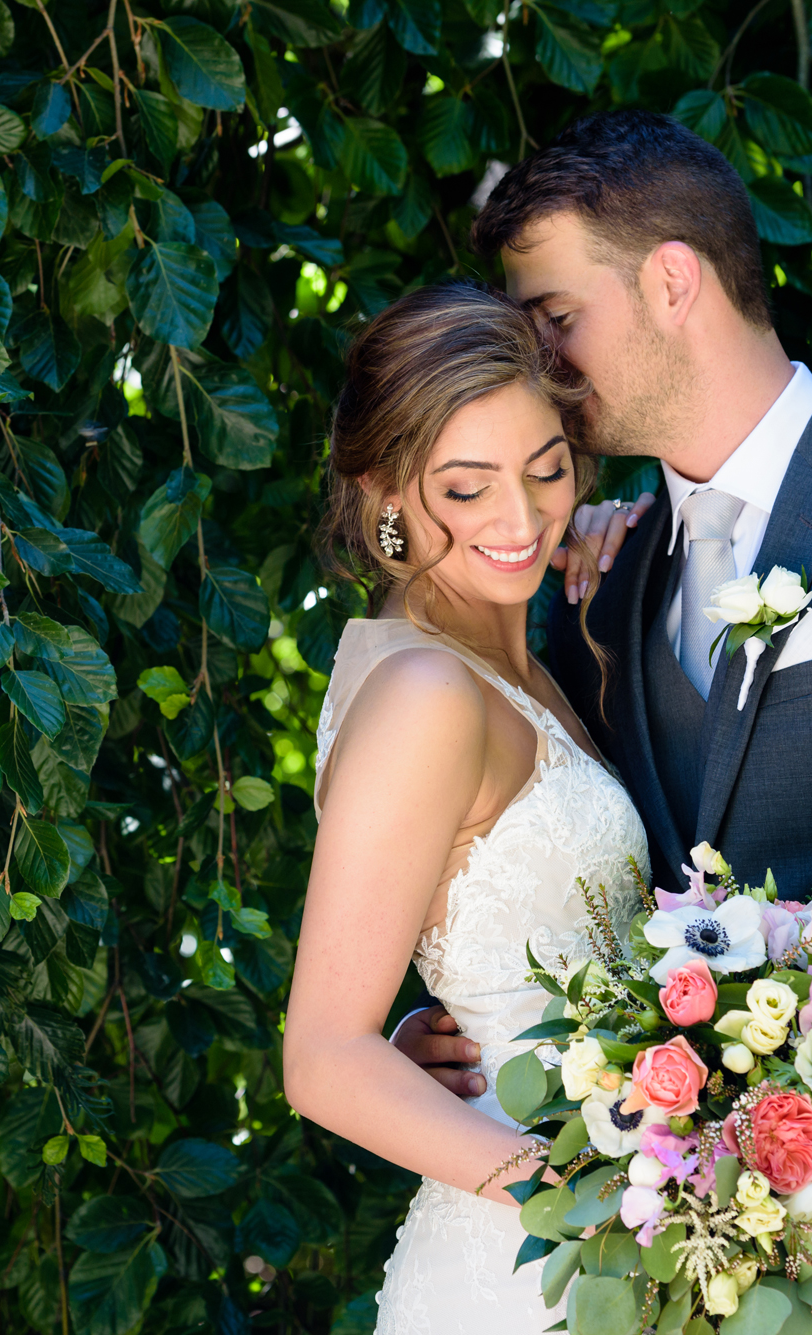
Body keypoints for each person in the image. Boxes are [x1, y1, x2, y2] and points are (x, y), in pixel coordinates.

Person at [396, 110, 812, 1099]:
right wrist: (457, 1023)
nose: (539, 368)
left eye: (555, 320)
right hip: (659, 1215)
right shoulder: (600, 577)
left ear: (670, 282)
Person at [281, 281, 650, 1331]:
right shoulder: (427, 693)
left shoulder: (499, 658)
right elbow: (320, 1059)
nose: (519, 518)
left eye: (545, 471)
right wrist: (592, 1205)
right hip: (530, 1257)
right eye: (466, 488)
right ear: (386, 494)